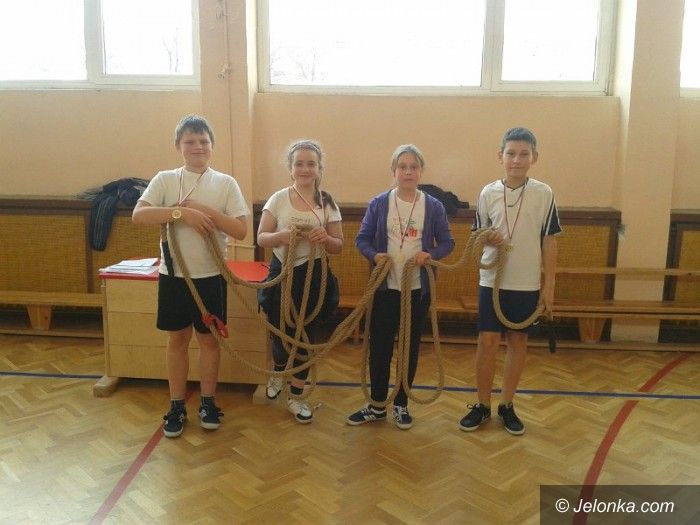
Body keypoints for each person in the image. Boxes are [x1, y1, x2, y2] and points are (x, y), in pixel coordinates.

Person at [132, 115, 249, 438]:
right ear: (178, 146)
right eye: (190, 141)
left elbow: (240, 229)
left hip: (210, 277)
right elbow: (139, 215)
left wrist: (204, 210)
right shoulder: (166, 180)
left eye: (203, 141)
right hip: (174, 276)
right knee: (177, 340)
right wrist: (181, 212)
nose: (197, 147)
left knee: (209, 342)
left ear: (212, 145)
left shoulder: (225, 183)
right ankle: (176, 405)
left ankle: (208, 402)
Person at [459, 127, 561, 436]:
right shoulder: (487, 193)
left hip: (526, 283)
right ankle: (482, 404)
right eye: (511, 153)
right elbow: (477, 236)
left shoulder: (544, 193)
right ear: (500, 156)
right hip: (492, 281)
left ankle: (507, 404)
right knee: (487, 341)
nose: (517, 160)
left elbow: (550, 240)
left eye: (524, 154)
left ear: (534, 157)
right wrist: (487, 238)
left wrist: (549, 286)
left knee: (518, 342)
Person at [347, 144, 454, 430]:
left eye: (413, 167)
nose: (408, 172)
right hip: (385, 289)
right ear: (393, 171)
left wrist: (430, 254)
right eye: (402, 167)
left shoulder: (433, 206)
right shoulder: (379, 203)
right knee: (380, 347)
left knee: (409, 347)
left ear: (421, 171)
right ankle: (377, 405)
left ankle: (401, 404)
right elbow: (362, 239)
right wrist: (374, 255)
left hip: (417, 291)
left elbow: (448, 242)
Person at [257, 139, 344, 424]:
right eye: (299, 164)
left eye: (311, 164)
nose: (305, 169)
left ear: (319, 168)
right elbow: (262, 238)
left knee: (305, 336)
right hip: (282, 272)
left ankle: (296, 395)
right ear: (291, 168)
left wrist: (325, 238)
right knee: (280, 331)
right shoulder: (278, 199)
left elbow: (338, 245)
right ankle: (279, 370)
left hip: (313, 275)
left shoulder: (327, 202)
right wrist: (281, 236)